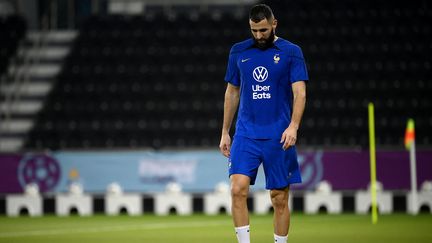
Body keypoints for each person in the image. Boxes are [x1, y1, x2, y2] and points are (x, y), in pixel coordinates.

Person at [219, 4, 308, 243]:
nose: (259, 36)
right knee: (237, 189)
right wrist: (225, 132)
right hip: (246, 134)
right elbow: (232, 92)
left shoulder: (291, 52)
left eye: (263, 30)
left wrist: (293, 126)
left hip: (278, 136)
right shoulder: (238, 52)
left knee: (279, 198)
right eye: (254, 30)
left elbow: (300, 93)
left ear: (274, 24)